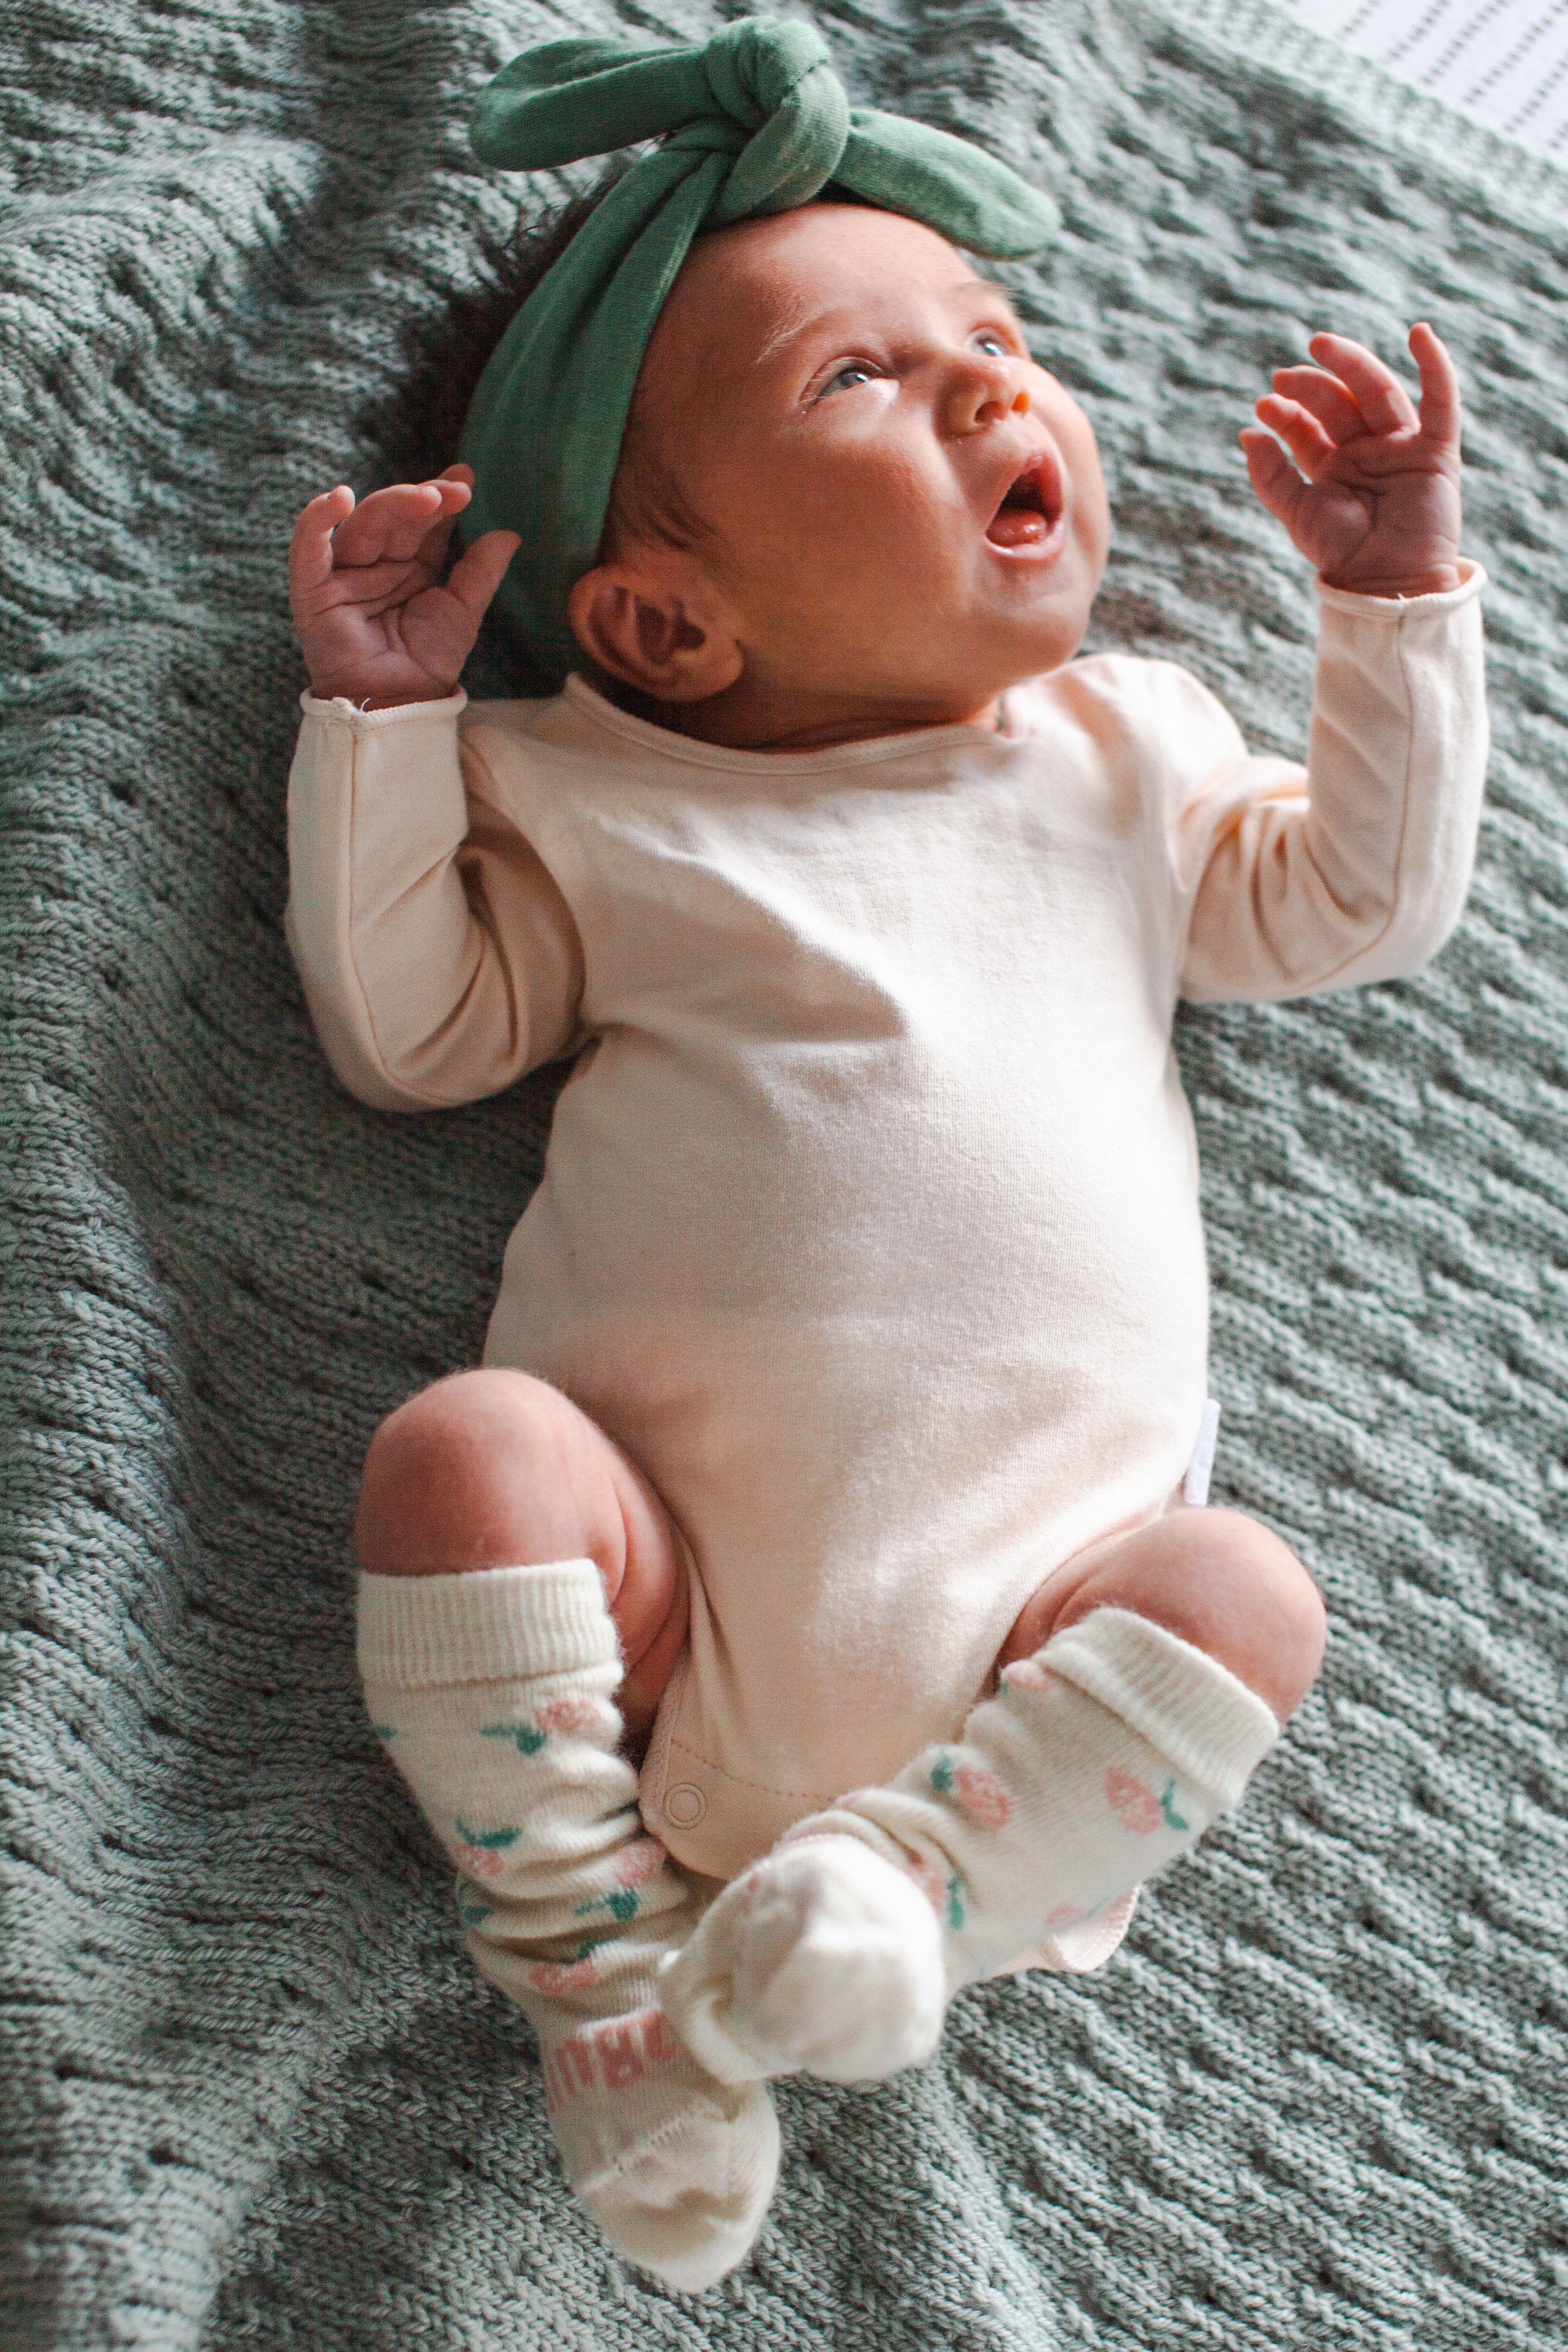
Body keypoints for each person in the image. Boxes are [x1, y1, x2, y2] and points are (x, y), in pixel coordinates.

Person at [284, 18, 1486, 2293]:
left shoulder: (1125, 752)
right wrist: (381, 728)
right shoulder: (598, 790)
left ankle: (896, 1903)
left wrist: (1392, 600)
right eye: (861, 376)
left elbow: (1354, 900)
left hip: (1037, 1647)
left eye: (998, 338)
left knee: (1246, 1590)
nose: (989, 382)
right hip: (646, 1597)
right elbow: (416, 1035)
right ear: (665, 620)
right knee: (463, 1451)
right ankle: (600, 1972)